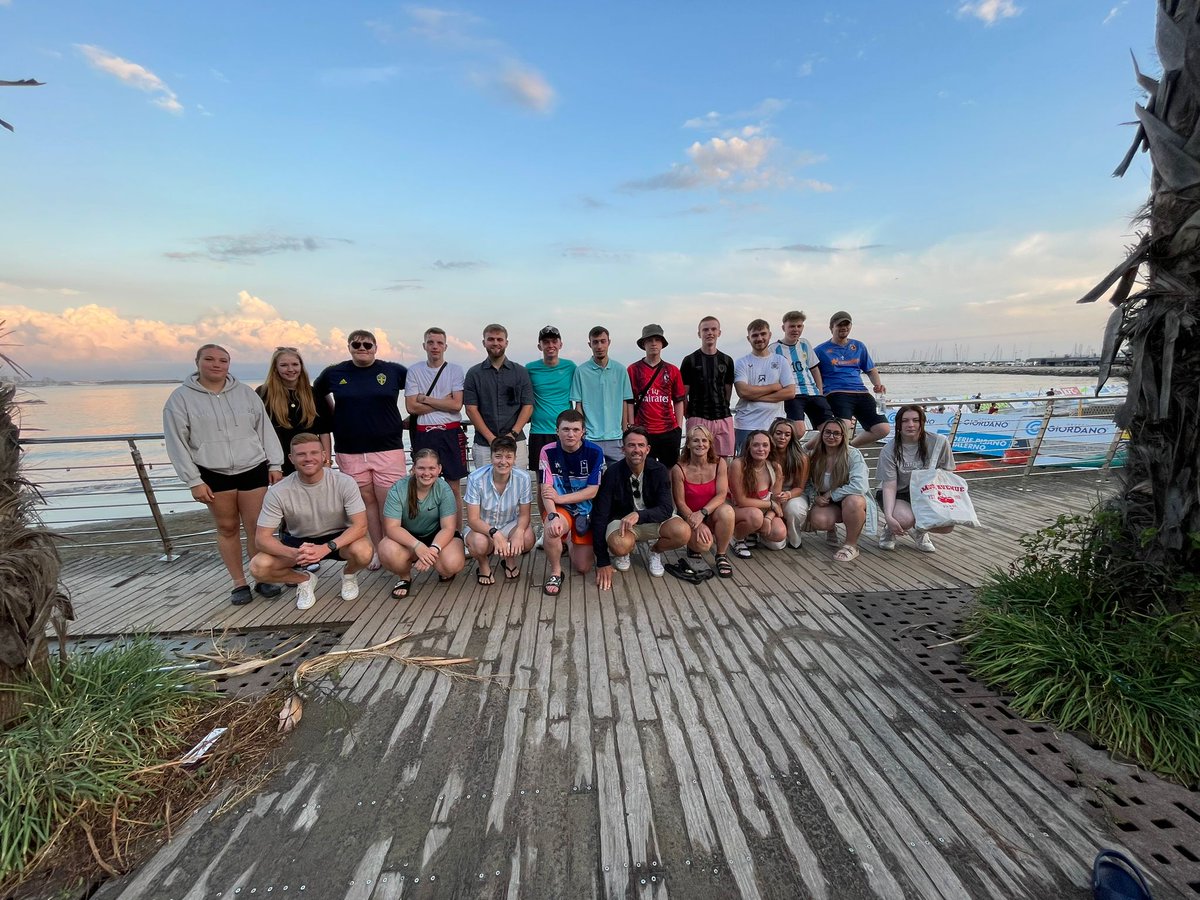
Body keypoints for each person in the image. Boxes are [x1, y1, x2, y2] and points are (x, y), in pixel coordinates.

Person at [164, 343, 284, 605]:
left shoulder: (245, 394)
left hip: (252, 467)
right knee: (227, 527)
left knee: (257, 528)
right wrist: (193, 480)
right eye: (210, 359)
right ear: (198, 362)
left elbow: (264, 430)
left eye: (223, 360)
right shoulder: (180, 399)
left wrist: (275, 464)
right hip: (213, 472)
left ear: (229, 365)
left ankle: (262, 576)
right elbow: (177, 443)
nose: (216, 364)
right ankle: (238, 582)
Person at [314, 330, 407, 571]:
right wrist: (333, 419)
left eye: (367, 344)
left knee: (390, 502)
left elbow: (419, 392)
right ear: (349, 346)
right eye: (357, 344)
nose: (362, 348)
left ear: (376, 347)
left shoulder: (393, 371)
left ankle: (394, 548)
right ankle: (376, 549)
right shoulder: (334, 373)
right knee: (366, 503)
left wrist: (410, 420)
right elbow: (317, 394)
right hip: (350, 449)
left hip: (388, 448)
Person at [249, 433, 372, 610]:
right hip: (299, 542)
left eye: (314, 453)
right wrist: (295, 554)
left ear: (323, 455)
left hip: (338, 538)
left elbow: (360, 525)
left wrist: (325, 548)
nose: (308, 458)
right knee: (258, 567)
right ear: (291, 458)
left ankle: (349, 575)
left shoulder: (344, 482)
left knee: (364, 551)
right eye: (301, 454)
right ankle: (304, 580)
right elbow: (261, 539)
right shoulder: (277, 491)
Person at [592, 426, 691, 588]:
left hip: (651, 519)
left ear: (648, 449)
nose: (636, 450)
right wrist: (602, 561)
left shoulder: (659, 470)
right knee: (619, 545)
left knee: (683, 532)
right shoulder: (612, 473)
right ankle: (624, 554)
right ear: (623, 449)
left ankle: (655, 551)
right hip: (622, 521)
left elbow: (666, 508)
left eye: (640, 445)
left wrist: (639, 515)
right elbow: (600, 514)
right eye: (631, 445)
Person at [378, 449, 467, 600]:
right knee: (386, 549)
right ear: (413, 469)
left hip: (437, 536)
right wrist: (417, 546)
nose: (426, 473)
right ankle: (404, 577)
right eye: (421, 468)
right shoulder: (398, 489)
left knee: (452, 565)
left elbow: (449, 527)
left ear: (439, 469)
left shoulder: (444, 489)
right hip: (409, 538)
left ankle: (441, 567)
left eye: (432, 468)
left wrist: (432, 550)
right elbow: (391, 528)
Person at [539, 409, 606, 594]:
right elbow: (546, 490)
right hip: (561, 509)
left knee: (583, 567)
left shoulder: (595, 452)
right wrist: (552, 515)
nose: (571, 434)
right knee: (552, 528)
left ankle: (568, 540)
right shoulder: (547, 451)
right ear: (557, 431)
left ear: (583, 431)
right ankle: (555, 571)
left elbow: (592, 491)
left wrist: (560, 497)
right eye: (566, 429)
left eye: (576, 430)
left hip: (584, 510)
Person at [877, 404, 956, 553]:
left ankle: (919, 531)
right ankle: (891, 529)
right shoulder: (890, 449)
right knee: (903, 519)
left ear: (922, 422)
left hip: (928, 492)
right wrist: (888, 516)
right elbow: (889, 485)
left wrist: (942, 503)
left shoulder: (939, 442)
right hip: (899, 493)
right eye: (905, 421)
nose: (910, 425)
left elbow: (948, 473)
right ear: (899, 424)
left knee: (947, 525)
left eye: (915, 420)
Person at [405, 327, 467, 508]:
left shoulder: (455, 370)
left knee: (453, 487)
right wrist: (443, 402)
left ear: (445, 347)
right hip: (424, 434)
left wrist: (425, 399)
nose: (435, 347)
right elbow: (411, 407)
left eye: (439, 343)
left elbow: (456, 405)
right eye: (431, 342)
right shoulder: (414, 371)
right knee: (422, 485)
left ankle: (456, 532)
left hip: (450, 433)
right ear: (424, 345)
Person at [464, 435, 535, 585]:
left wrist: (519, 531)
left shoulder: (523, 478)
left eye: (509, 457)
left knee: (527, 538)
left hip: (509, 523)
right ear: (491, 458)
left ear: (515, 458)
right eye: (498, 456)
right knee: (479, 543)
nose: (503, 462)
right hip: (482, 527)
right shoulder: (475, 478)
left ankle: (509, 559)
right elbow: (473, 520)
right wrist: (494, 533)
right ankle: (483, 565)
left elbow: (524, 514)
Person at [805, 418, 878, 562]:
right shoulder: (813, 455)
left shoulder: (853, 454)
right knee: (820, 520)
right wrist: (815, 497)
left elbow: (859, 485)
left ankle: (851, 545)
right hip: (827, 502)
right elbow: (806, 483)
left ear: (843, 436)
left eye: (836, 433)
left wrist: (832, 493)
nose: (831, 437)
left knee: (854, 501)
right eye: (827, 432)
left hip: (849, 499)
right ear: (821, 434)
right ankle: (830, 528)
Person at [464, 323, 534, 470]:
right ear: (484, 343)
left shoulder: (520, 372)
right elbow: (471, 409)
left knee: (518, 486)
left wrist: (512, 434)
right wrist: (491, 438)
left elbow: (528, 406)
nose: (495, 343)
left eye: (499, 339)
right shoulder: (473, 374)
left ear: (506, 343)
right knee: (484, 488)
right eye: (491, 339)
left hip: (516, 442)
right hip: (484, 443)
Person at [814, 311, 889, 448]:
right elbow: (812, 372)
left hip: (861, 392)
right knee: (842, 427)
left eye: (846, 324)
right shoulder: (820, 350)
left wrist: (878, 385)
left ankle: (850, 449)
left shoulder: (858, 346)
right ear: (832, 327)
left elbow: (871, 370)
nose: (843, 327)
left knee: (883, 429)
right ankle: (807, 448)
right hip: (836, 392)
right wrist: (819, 394)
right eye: (839, 325)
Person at [670, 425, 735, 578]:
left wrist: (703, 513)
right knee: (703, 545)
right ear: (688, 444)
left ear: (710, 443)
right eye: (695, 440)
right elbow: (680, 503)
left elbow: (721, 494)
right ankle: (693, 547)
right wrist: (696, 521)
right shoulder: (678, 469)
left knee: (728, 511)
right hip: (690, 516)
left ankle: (721, 555)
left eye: (704, 440)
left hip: (710, 513)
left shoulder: (719, 464)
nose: (700, 444)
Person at [256, 347, 332, 476]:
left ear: (301, 366)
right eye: (284, 365)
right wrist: (271, 466)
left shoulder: (313, 393)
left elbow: (324, 432)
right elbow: (258, 432)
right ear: (275, 368)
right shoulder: (263, 394)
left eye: (295, 364)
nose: (290, 369)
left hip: (311, 464)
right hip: (277, 466)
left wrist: (327, 462)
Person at [571, 325, 633, 463]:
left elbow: (625, 402)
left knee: (618, 479)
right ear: (590, 344)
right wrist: (582, 432)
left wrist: (625, 431)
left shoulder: (620, 370)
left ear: (609, 342)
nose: (599, 346)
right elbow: (578, 405)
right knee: (591, 480)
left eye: (603, 341)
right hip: (591, 437)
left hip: (616, 437)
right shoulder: (581, 371)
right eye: (595, 342)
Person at [627, 324, 686, 467]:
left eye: (657, 340)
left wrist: (678, 427)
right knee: (643, 470)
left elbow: (678, 400)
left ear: (662, 344)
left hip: (668, 430)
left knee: (671, 470)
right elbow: (629, 401)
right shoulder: (633, 370)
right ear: (643, 344)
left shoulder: (672, 370)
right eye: (649, 340)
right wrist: (631, 426)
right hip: (643, 430)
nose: (653, 343)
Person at [733, 319, 796, 453]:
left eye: (763, 334)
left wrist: (754, 396)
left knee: (774, 467)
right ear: (748, 338)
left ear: (770, 335)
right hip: (747, 423)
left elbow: (790, 392)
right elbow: (743, 392)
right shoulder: (742, 362)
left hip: (774, 425)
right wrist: (774, 387)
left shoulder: (780, 361)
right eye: (755, 335)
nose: (759, 338)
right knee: (745, 466)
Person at [679, 315, 736, 458]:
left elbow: (728, 389)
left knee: (724, 461)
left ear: (719, 333)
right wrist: (689, 415)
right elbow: (683, 393)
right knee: (696, 459)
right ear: (699, 334)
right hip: (698, 416)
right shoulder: (689, 360)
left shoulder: (727, 360)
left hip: (723, 417)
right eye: (705, 330)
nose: (709, 333)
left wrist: (724, 407)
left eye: (713, 329)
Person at [770, 310, 832, 434]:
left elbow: (814, 369)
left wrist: (820, 392)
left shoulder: (804, 344)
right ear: (784, 328)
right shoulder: (774, 349)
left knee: (829, 430)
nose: (796, 329)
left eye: (799, 326)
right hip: (793, 394)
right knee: (798, 432)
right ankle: (793, 451)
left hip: (812, 392)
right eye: (792, 326)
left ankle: (808, 449)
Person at [526, 325, 576, 474]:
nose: (550, 345)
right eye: (546, 342)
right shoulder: (529, 369)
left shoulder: (571, 367)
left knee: (568, 476)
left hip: (566, 431)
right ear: (539, 346)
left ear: (561, 344)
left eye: (554, 341)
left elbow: (582, 395)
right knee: (542, 480)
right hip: (538, 431)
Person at [728, 430, 786, 558]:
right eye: (756, 445)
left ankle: (752, 532)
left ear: (770, 448)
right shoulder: (738, 465)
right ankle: (736, 538)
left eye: (765, 445)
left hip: (763, 511)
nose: (761, 449)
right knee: (756, 516)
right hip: (737, 509)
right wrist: (770, 504)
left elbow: (777, 501)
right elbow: (741, 500)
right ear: (748, 447)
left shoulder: (775, 467)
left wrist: (768, 518)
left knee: (779, 533)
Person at [768, 418, 810, 548]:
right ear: (772, 434)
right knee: (776, 545)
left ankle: (794, 539)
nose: (782, 437)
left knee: (794, 508)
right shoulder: (765, 453)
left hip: (792, 493)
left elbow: (800, 487)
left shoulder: (800, 457)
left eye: (787, 434)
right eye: (778, 433)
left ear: (792, 437)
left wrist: (788, 494)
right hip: (767, 494)